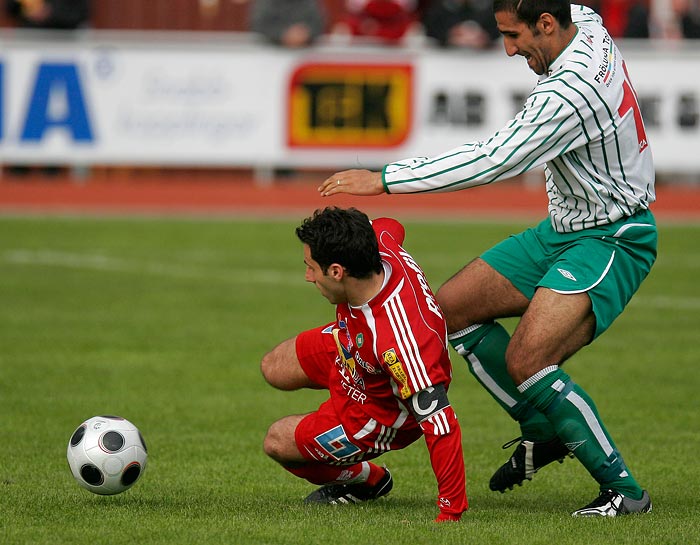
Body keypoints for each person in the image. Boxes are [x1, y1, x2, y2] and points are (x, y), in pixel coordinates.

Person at [318, 0, 656, 518]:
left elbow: (492, 160)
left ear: (546, 24)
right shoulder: (583, 20)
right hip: (562, 228)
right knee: (443, 312)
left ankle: (625, 493)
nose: (508, 48)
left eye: (513, 35)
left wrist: (385, 179)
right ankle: (543, 430)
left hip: (613, 237)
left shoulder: (572, 92)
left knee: (528, 360)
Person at [261, 207, 468, 522]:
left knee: (277, 441)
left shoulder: (398, 343)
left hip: (375, 415)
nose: (307, 276)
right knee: (273, 366)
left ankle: (366, 478)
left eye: (310, 267)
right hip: (350, 344)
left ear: (335, 271)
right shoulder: (378, 242)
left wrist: (450, 513)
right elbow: (391, 225)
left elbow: (441, 425)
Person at [422, 0, 500, 49]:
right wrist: (449, 36)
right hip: (446, 61)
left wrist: (485, 37)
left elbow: (497, 30)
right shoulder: (440, 7)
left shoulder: (489, 7)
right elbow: (429, 28)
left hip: (484, 62)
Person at [250, 0, 326, 48]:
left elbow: (319, 23)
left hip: (305, 53)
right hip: (270, 53)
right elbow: (258, 24)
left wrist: (305, 33)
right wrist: (283, 35)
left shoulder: (310, 2)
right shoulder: (265, 2)